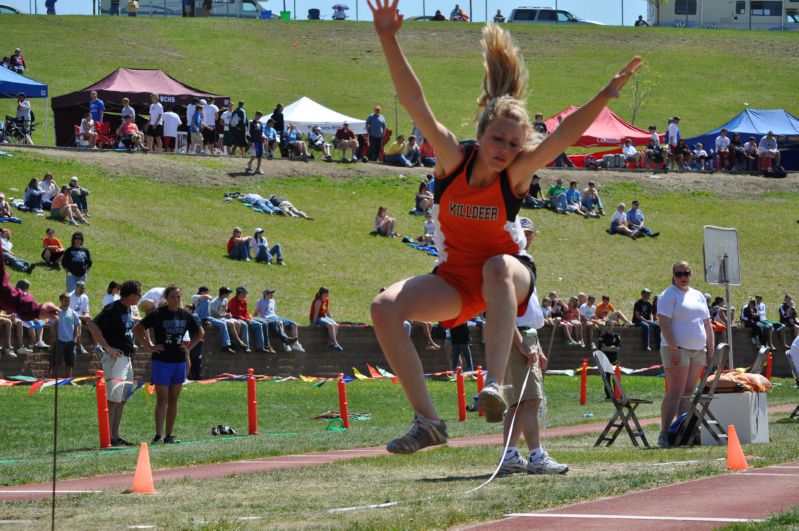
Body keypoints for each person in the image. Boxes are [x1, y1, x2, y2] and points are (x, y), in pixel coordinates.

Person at [368, 0, 640, 454]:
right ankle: (428, 422)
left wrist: (605, 96)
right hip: (457, 281)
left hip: (509, 274)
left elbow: (562, 136)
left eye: (515, 145)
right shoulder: (453, 160)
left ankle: (493, 384)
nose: (505, 150)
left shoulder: (514, 177)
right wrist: (387, 38)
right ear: (482, 131)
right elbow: (416, 103)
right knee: (382, 308)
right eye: (498, 139)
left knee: (496, 265)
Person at [499, 216, 568, 475]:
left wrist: (533, 344)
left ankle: (510, 455)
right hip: (520, 335)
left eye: (528, 233)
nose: (525, 237)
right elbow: (506, 312)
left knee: (518, 402)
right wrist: (522, 344)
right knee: (531, 400)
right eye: (521, 232)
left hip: (526, 334)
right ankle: (536, 456)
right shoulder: (514, 264)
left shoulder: (520, 263)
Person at [134, 285, 203, 444]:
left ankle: (169, 435)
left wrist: (188, 348)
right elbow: (138, 329)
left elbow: (200, 333)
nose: (176, 299)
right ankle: (158, 435)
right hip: (162, 362)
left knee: (173, 399)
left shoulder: (185, 315)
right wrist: (148, 346)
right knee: (162, 399)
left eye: (178, 297)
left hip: (178, 362)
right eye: (173, 297)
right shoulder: (158, 314)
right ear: (166, 298)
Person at [656, 261, 714, 448]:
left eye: (686, 273)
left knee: (688, 392)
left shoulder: (698, 295)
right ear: (673, 275)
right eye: (680, 273)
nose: (683, 277)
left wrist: (710, 350)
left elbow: (707, 324)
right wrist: (673, 348)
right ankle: (664, 433)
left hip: (698, 350)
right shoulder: (668, 295)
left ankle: (683, 432)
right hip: (677, 349)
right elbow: (664, 323)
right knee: (675, 391)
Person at [87, 280, 142, 447]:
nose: (140, 297)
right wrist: (107, 347)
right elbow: (92, 325)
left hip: (126, 359)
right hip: (116, 359)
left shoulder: (127, 309)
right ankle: (108, 438)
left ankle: (115, 436)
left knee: (122, 399)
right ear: (132, 295)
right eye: (139, 294)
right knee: (113, 399)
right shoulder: (112, 308)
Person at [191, 286, 235, 353]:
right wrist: (208, 296)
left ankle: (226, 345)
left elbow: (221, 311)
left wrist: (226, 314)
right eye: (207, 292)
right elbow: (207, 297)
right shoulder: (194, 297)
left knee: (223, 324)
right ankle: (204, 320)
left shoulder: (224, 300)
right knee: (205, 301)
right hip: (197, 317)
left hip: (208, 317)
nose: (208, 294)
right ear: (202, 292)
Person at [228, 286, 269, 353]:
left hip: (244, 318)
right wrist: (245, 319)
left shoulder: (244, 301)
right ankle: (245, 347)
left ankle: (260, 347)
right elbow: (235, 314)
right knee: (244, 325)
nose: (245, 295)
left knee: (258, 325)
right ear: (239, 293)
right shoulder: (233, 301)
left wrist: (248, 318)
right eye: (244, 293)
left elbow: (246, 312)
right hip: (236, 318)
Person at [54, 292, 81, 378]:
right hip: (60, 341)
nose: (68, 302)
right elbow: (51, 325)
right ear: (61, 301)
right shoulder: (56, 312)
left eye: (69, 300)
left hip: (71, 341)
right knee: (58, 362)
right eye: (65, 300)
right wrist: (56, 336)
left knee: (70, 362)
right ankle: (57, 379)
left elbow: (77, 325)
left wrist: (75, 338)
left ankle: (68, 380)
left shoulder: (73, 313)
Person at [310, 287, 343, 351]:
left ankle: (332, 343)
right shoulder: (319, 301)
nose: (325, 296)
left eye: (326, 294)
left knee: (335, 325)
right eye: (324, 294)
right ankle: (336, 343)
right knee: (330, 325)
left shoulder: (326, 300)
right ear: (320, 294)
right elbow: (316, 313)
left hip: (323, 317)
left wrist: (331, 320)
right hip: (317, 318)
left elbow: (327, 311)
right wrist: (313, 323)